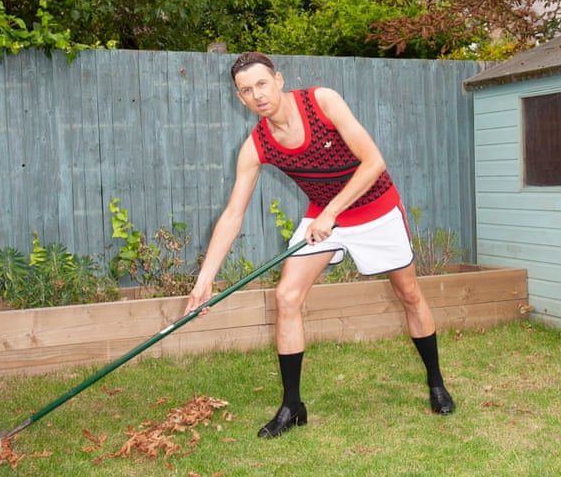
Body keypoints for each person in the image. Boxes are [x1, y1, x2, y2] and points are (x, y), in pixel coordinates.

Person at [185, 52, 455, 439]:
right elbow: (232, 215)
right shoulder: (256, 145)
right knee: (286, 296)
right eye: (246, 90)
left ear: (278, 80)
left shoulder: (321, 101)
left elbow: (373, 161)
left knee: (409, 293)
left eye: (261, 83)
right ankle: (292, 406)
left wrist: (331, 212)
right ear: (239, 98)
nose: (257, 94)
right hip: (324, 216)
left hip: (374, 207)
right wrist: (205, 280)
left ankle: (436, 383)